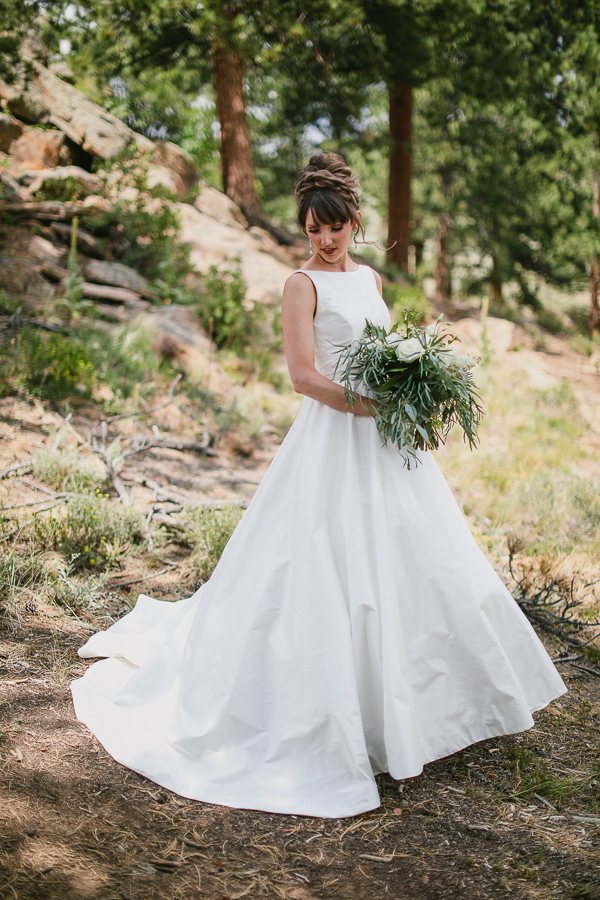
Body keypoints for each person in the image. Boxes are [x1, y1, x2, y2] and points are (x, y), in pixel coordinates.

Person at [71, 153, 566, 819]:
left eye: (334, 228)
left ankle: (426, 710)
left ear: (354, 223)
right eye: (313, 228)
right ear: (304, 228)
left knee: (417, 556)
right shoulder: (300, 284)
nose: (324, 239)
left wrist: (411, 399)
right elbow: (302, 377)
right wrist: (372, 408)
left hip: (385, 441)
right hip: (333, 435)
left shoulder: (370, 277)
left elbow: (386, 353)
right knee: (324, 563)